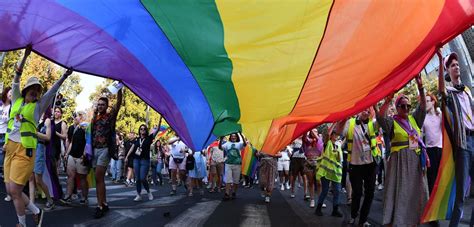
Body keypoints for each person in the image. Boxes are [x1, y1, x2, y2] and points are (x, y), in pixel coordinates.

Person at [3, 46, 71, 227]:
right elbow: (16, 78)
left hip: (25, 151)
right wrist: (25, 56)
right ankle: (36, 211)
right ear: (25, 90)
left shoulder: (38, 106)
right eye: (32, 88)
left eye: (37, 89)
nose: (35, 90)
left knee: (16, 191)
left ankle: (22, 224)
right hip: (10, 148)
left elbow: (52, 91)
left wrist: (64, 76)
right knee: (10, 189)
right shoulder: (17, 98)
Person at [377, 74, 428, 226]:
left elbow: (423, 107)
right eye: (403, 106)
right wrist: (387, 100)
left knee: (415, 193)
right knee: (401, 194)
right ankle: (399, 221)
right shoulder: (392, 123)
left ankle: (414, 220)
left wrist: (421, 87)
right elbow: (380, 117)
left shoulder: (414, 119)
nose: (406, 108)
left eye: (408, 106)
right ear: (397, 107)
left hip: (414, 162)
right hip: (399, 163)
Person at [438, 52, 474, 227]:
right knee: (460, 194)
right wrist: (439, 60)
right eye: (452, 65)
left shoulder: (467, 91)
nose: (457, 66)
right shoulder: (449, 93)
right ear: (447, 71)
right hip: (462, 143)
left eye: (457, 64)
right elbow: (441, 91)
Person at [336, 109, 378, 226]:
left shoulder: (372, 123)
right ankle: (354, 215)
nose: (366, 112)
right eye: (364, 109)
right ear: (359, 111)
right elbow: (339, 131)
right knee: (357, 192)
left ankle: (363, 219)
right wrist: (344, 117)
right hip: (355, 164)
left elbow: (381, 118)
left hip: (370, 163)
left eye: (368, 110)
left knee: (370, 193)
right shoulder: (350, 123)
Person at [91, 88, 123, 218]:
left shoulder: (110, 116)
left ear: (107, 106)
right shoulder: (94, 117)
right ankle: (104, 203)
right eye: (98, 104)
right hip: (94, 150)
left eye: (102, 104)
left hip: (105, 149)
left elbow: (119, 103)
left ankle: (99, 206)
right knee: (100, 179)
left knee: (99, 178)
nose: (100, 106)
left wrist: (120, 88)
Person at [60, 111, 90, 205]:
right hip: (72, 155)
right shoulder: (76, 127)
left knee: (82, 178)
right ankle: (67, 196)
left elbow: (88, 142)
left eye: (76, 116)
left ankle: (84, 197)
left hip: (81, 156)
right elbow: (72, 142)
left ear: (81, 117)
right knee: (70, 176)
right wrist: (67, 154)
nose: (74, 118)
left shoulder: (87, 127)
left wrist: (84, 154)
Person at [315, 128, 343, 217]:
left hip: (335, 173)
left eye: (337, 134)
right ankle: (318, 208)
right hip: (326, 172)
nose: (336, 135)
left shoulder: (338, 146)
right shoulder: (327, 144)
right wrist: (334, 124)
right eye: (334, 134)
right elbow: (327, 134)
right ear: (331, 135)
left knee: (337, 191)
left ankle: (335, 210)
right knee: (325, 190)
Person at [125, 124, 157, 201]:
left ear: (146, 130)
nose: (142, 130)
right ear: (139, 130)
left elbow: (157, 130)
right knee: (138, 179)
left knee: (143, 178)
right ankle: (138, 195)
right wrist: (127, 156)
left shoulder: (149, 138)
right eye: (141, 129)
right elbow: (132, 148)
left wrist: (159, 123)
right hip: (136, 160)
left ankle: (148, 192)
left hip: (145, 160)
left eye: (144, 129)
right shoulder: (137, 139)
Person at [34, 110, 55, 210]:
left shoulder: (47, 120)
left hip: (39, 149)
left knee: (38, 179)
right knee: (33, 178)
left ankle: (50, 200)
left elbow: (48, 137)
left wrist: (35, 133)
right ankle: (32, 201)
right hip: (31, 149)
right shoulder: (36, 119)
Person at [422, 93, 442, 194]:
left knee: (441, 177)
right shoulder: (424, 118)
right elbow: (420, 135)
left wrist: (439, 111)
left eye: (428, 101)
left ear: (433, 102)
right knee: (431, 178)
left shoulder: (440, 115)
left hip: (441, 149)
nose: (426, 104)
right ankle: (432, 203)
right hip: (430, 150)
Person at [219, 133, 246, 201]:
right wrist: (221, 139)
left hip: (237, 164)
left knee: (236, 181)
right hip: (228, 164)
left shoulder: (239, 144)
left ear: (237, 137)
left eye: (235, 136)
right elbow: (220, 148)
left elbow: (245, 144)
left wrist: (242, 135)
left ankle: (234, 192)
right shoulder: (227, 144)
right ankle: (227, 194)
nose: (233, 137)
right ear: (230, 137)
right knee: (228, 180)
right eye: (232, 136)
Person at [303, 128, 324, 208]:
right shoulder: (307, 140)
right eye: (312, 130)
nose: (313, 132)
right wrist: (308, 127)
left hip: (318, 162)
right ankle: (312, 199)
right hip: (309, 162)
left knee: (319, 183)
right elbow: (304, 137)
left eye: (315, 131)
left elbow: (319, 141)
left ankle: (320, 200)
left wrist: (311, 128)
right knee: (311, 182)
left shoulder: (320, 140)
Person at [0, 87, 12, 201]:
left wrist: (7, 141)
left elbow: (11, 125)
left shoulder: (12, 107)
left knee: (4, 165)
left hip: (5, 136)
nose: (11, 94)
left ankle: (10, 193)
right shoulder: (1, 105)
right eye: (10, 92)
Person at [52, 107, 67, 173]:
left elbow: (64, 136)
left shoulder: (62, 123)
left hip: (57, 146)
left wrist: (55, 133)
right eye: (55, 111)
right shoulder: (50, 122)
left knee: (55, 169)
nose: (56, 113)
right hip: (49, 144)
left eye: (58, 112)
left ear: (61, 114)